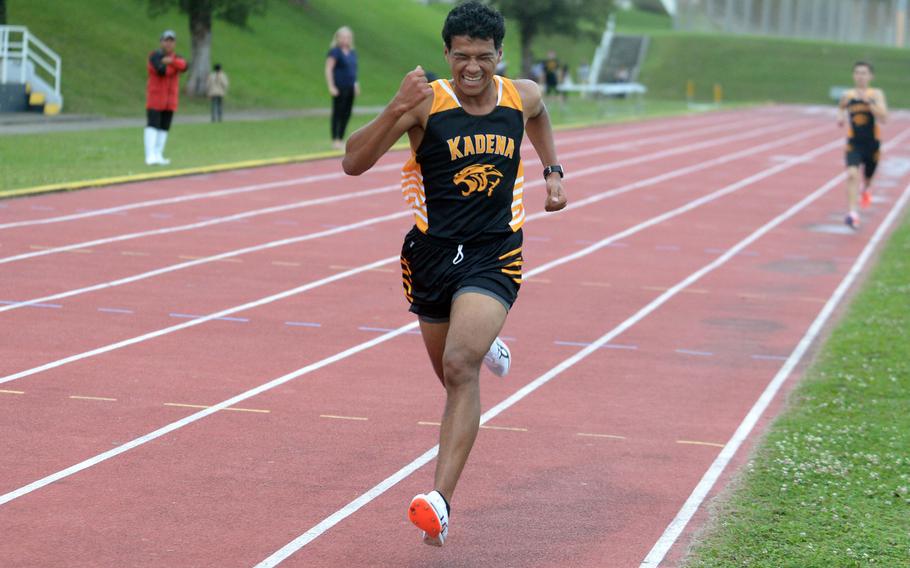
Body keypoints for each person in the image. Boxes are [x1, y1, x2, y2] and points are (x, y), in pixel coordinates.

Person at [342, 1, 567, 547]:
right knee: (449, 375)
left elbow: (538, 116)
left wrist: (553, 172)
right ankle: (484, 339)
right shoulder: (426, 104)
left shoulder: (522, 94)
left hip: (495, 251)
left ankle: (439, 502)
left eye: (483, 57)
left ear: (499, 56)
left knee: (460, 366)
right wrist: (394, 107)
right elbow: (352, 162)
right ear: (446, 54)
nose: (472, 67)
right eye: (461, 56)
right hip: (431, 256)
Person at [837, 61, 888, 229]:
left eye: (864, 73)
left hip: (872, 144)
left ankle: (866, 189)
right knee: (852, 174)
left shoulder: (876, 94)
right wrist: (840, 117)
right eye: (858, 73)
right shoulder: (848, 95)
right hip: (854, 143)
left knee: (868, 178)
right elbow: (841, 108)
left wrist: (870, 103)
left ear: (870, 76)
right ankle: (853, 213)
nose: (860, 76)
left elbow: (884, 118)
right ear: (853, 75)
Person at [145, 29, 187, 166]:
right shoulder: (154, 55)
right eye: (166, 41)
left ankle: (158, 154)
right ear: (161, 42)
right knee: (153, 126)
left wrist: (171, 62)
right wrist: (174, 66)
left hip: (170, 100)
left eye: (171, 41)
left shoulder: (176, 57)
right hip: (156, 99)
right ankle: (150, 155)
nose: (168, 44)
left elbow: (185, 66)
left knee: (164, 128)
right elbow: (161, 70)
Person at [325, 26, 360, 150]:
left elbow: (353, 70)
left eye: (348, 37)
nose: (346, 39)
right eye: (343, 37)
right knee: (337, 113)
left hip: (350, 87)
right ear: (338, 38)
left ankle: (341, 137)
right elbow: (328, 69)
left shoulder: (352, 53)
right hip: (339, 87)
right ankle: (335, 139)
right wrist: (331, 86)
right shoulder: (335, 52)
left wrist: (356, 83)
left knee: (347, 113)